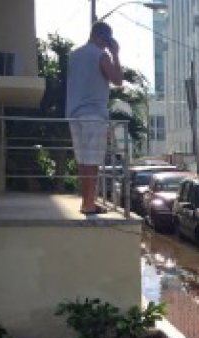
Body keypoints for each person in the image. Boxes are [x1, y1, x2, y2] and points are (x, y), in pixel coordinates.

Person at [66, 22, 124, 215]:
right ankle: (89, 204)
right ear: (105, 38)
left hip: (74, 113)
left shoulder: (74, 55)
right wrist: (115, 54)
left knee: (83, 161)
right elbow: (117, 80)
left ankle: (86, 202)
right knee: (92, 161)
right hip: (93, 114)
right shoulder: (100, 55)